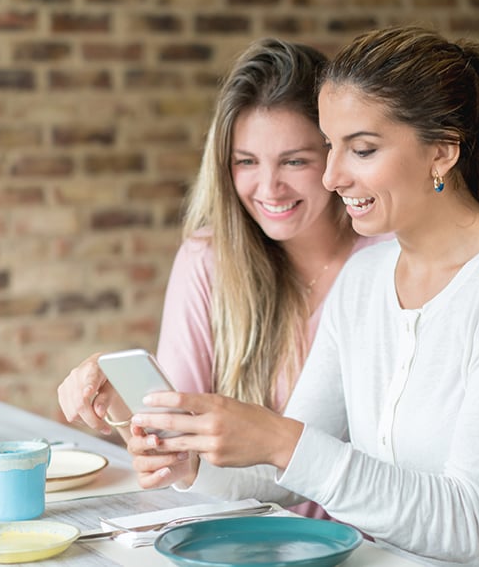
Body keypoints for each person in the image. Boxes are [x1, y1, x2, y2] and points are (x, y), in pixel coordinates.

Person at [124, 26, 479, 564]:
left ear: (442, 152)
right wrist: (194, 466)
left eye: (361, 149)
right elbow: (285, 477)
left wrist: (281, 439)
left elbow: (465, 524)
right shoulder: (365, 280)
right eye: (329, 147)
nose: (333, 175)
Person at [56, 38, 388, 518]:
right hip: (243, 533)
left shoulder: (385, 264)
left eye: (295, 161)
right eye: (246, 162)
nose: (269, 188)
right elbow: (181, 449)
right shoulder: (208, 259)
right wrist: (125, 405)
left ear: (335, 158)